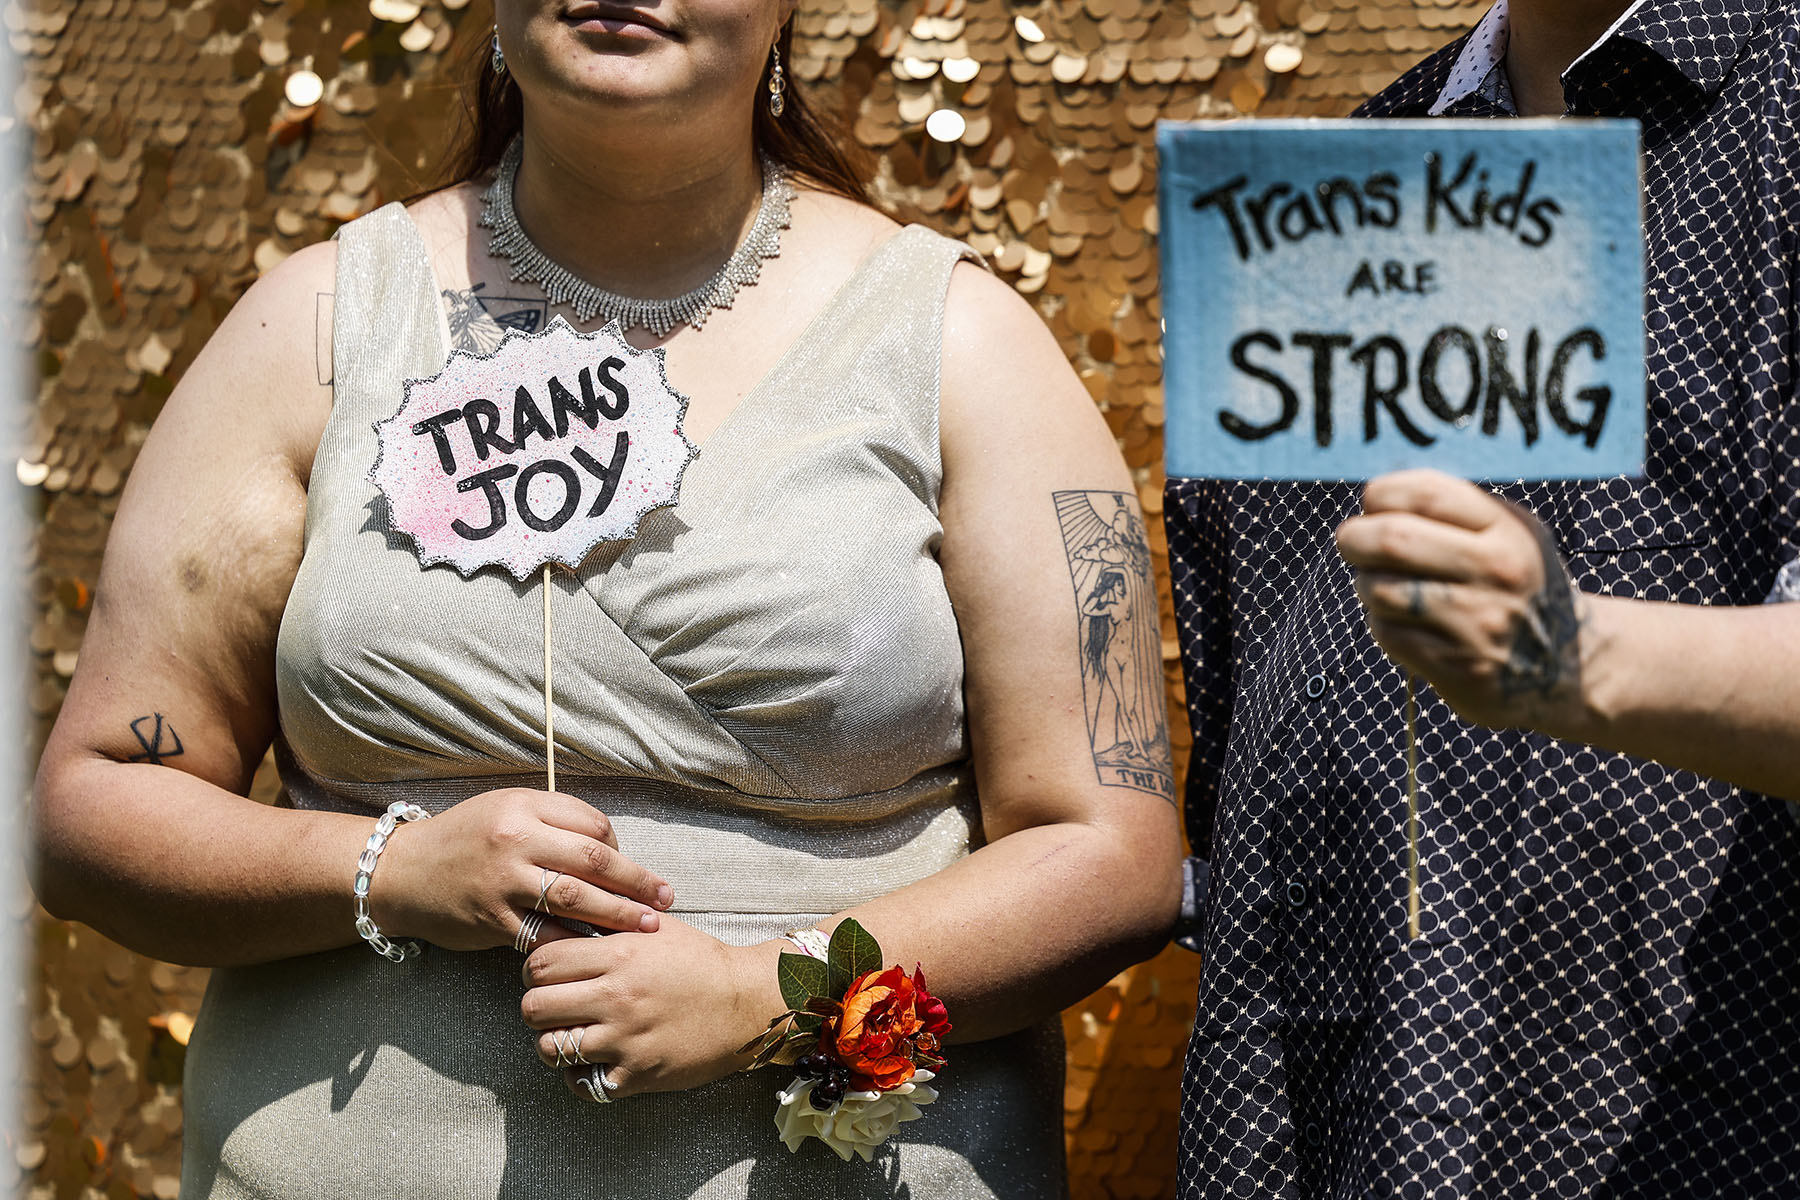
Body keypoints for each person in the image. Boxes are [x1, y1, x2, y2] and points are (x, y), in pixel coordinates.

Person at [29, 3, 1182, 1196]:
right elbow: (94, 809)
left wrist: (761, 997)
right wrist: (391, 870)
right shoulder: (317, 328)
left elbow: (1112, 854)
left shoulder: (962, 342)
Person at [1168, 1, 1800, 1197]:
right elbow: (1255, 733)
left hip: (1687, 1133)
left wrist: (1578, 658)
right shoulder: (1340, 185)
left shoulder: (1778, 108)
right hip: (1348, 1126)